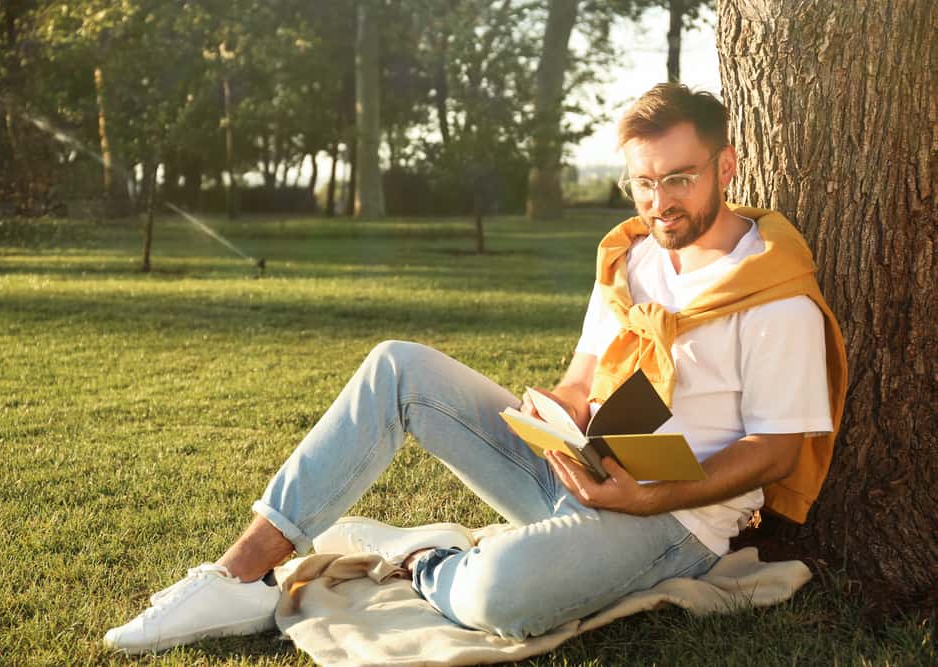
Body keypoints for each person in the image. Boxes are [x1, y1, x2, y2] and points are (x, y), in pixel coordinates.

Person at [103, 83, 846, 655]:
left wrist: (650, 500)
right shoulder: (633, 257)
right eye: (643, 183)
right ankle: (238, 577)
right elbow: (586, 375)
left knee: (500, 592)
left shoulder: (775, 295)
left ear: (726, 165)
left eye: (679, 179)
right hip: (582, 472)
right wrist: (556, 412)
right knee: (397, 366)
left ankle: (428, 559)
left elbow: (776, 451)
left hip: (672, 519)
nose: (660, 202)